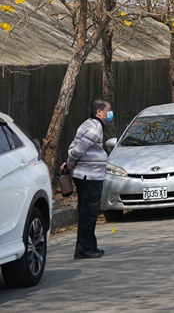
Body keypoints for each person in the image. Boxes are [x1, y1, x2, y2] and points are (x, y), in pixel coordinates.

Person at [64, 98, 112, 260]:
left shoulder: (88, 124)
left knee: (89, 212)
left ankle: (89, 246)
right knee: (89, 213)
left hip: (88, 175)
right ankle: (85, 249)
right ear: (99, 112)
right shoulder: (95, 126)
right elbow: (80, 147)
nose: (110, 114)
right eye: (108, 110)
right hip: (89, 176)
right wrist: (70, 163)